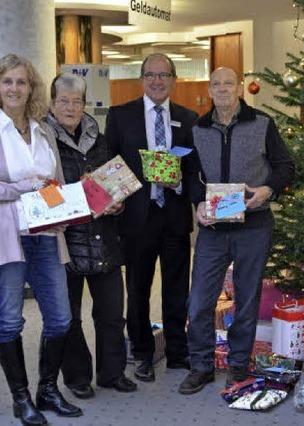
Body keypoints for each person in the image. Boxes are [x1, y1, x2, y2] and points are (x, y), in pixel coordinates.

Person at [178, 67, 294, 395]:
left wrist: (267, 190)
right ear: (210, 90)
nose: (223, 89)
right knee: (200, 298)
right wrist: (198, 202)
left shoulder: (262, 123)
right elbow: (189, 173)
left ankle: (238, 365)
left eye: (229, 83)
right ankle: (200, 366)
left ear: (240, 87)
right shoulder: (197, 128)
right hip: (213, 228)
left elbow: (285, 166)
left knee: (246, 298)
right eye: (216, 84)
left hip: (254, 225)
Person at [0, 54, 82, 425]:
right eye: (7, 81)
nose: (15, 88)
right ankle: (21, 399)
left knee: (61, 318)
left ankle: (47, 390)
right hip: (8, 238)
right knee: (9, 321)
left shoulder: (42, 129)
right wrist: (24, 187)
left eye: (21, 81)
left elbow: (56, 182)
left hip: (46, 234)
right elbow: (25, 184)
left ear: (31, 87)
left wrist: (61, 211)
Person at [105, 53, 198, 383]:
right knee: (138, 288)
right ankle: (142, 353)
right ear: (142, 79)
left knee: (176, 288)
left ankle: (177, 351)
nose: (157, 81)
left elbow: (195, 171)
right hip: (136, 216)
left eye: (164, 75)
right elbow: (110, 164)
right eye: (150, 75)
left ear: (174, 79)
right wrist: (113, 200)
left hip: (173, 213)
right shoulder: (120, 116)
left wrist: (179, 182)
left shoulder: (189, 119)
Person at [45, 72, 137, 399]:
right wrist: (76, 193)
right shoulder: (43, 140)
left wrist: (117, 203)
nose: (71, 107)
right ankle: (77, 378)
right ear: (52, 103)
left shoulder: (100, 139)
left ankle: (112, 374)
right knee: (69, 318)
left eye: (77, 101)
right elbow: (43, 193)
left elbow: (114, 183)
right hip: (64, 244)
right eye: (63, 101)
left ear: (84, 104)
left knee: (112, 314)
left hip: (104, 239)